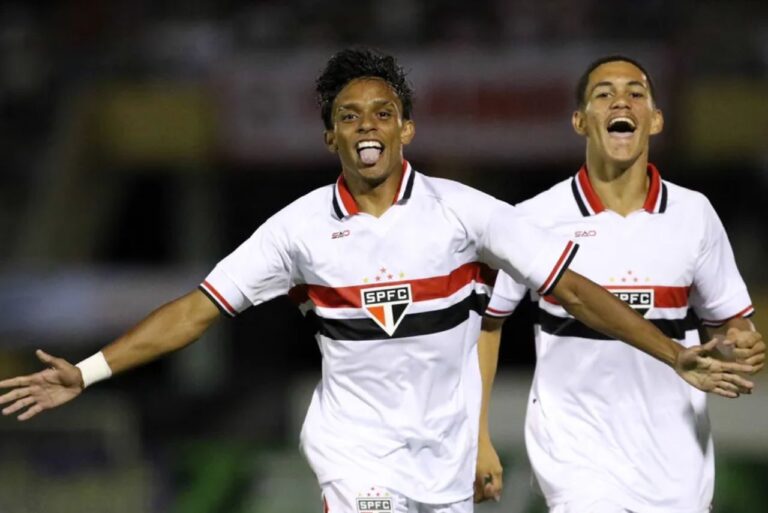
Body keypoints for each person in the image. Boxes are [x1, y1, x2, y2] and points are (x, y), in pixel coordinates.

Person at [0, 49, 756, 513]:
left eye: (384, 112)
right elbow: (198, 310)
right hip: (357, 451)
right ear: (331, 133)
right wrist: (90, 370)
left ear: (406, 129)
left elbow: (579, 289)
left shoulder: (466, 214)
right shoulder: (297, 229)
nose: (368, 124)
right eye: (350, 114)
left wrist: (670, 352)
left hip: (446, 459)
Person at [473, 55, 765, 513]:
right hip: (577, 457)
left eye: (635, 92)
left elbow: (731, 324)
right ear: (580, 121)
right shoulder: (534, 219)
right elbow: (487, 325)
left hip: (676, 461)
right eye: (603, 94)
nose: (620, 101)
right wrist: (477, 435)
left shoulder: (695, 215)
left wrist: (739, 345)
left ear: (655, 118)